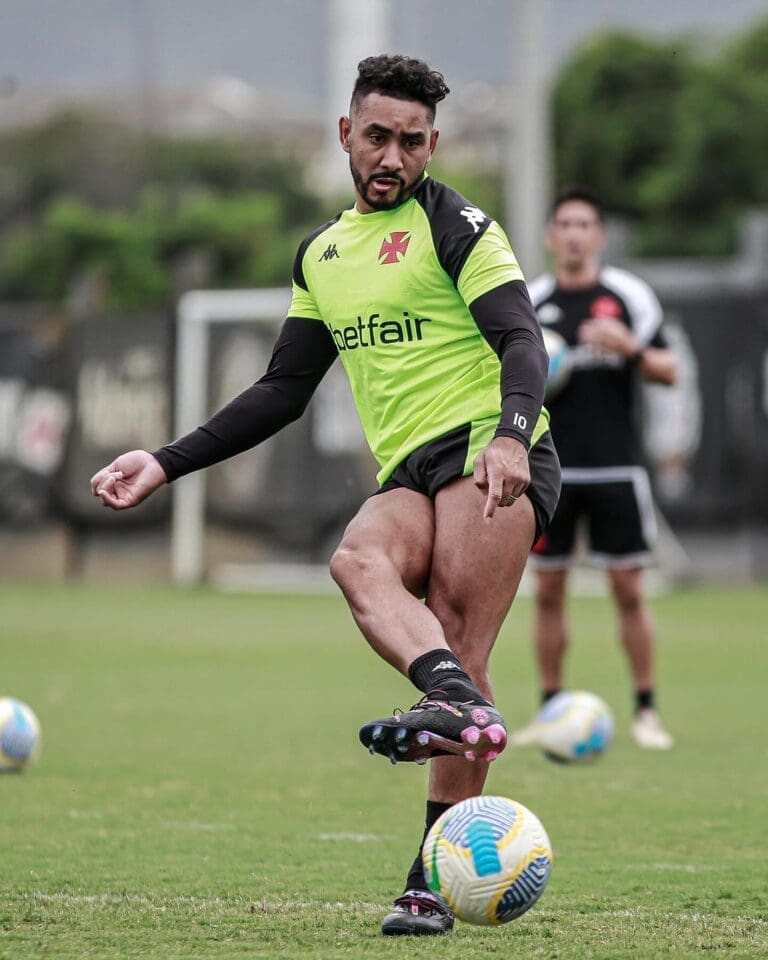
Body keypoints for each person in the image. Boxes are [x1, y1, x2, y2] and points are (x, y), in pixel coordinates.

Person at [90, 55, 560, 936]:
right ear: (345, 133)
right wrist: (165, 461)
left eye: (411, 142)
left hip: (488, 450)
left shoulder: (458, 225)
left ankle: (429, 880)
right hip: (409, 468)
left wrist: (510, 433)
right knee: (357, 561)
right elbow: (282, 390)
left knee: (461, 631)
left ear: (432, 145)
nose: (392, 157)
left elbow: (522, 340)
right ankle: (457, 702)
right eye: (377, 137)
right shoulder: (322, 254)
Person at [518, 187, 678, 750]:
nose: (574, 235)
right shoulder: (531, 301)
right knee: (548, 591)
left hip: (617, 467)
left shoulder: (628, 296)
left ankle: (646, 710)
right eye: (564, 225)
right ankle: (550, 709)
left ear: (599, 236)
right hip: (550, 472)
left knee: (629, 590)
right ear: (550, 236)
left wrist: (629, 347)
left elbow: (669, 370)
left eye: (584, 225)